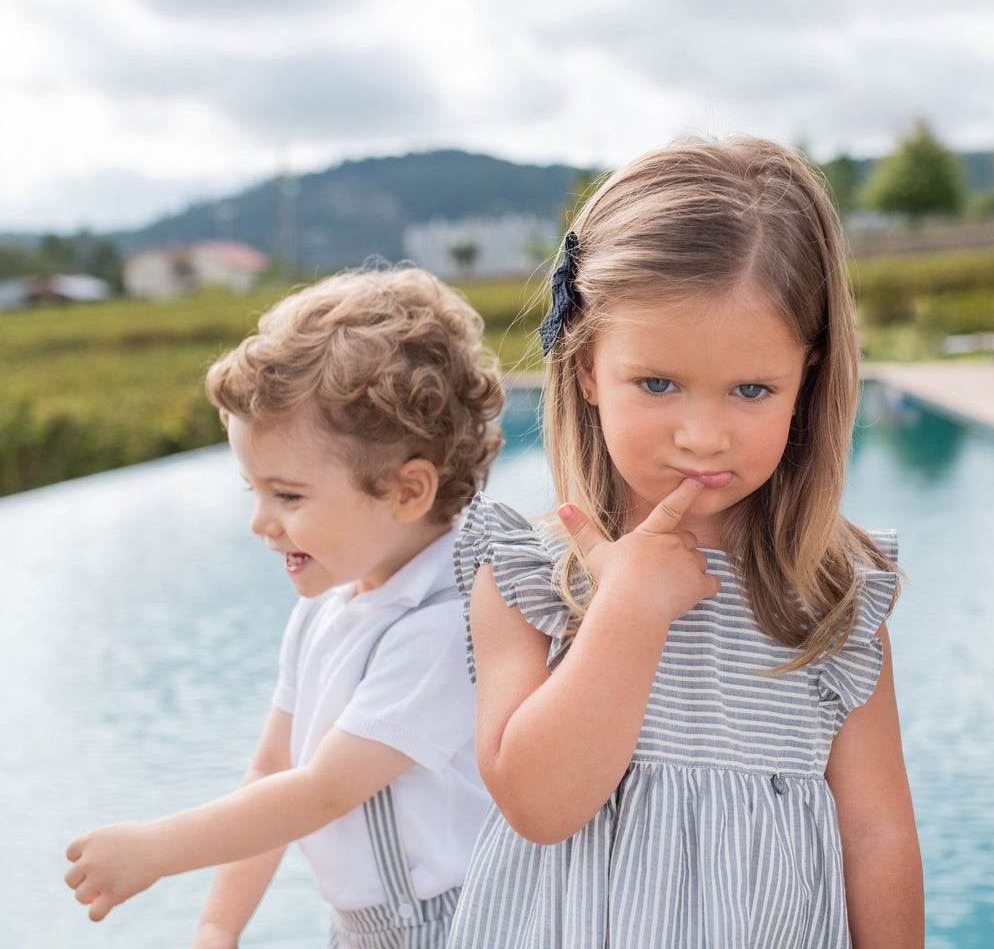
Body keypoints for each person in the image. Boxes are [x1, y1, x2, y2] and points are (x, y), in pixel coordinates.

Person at [448, 138, 923, 948]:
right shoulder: (532, 577)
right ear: (588, 365)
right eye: (658, 383)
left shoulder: (830, 598)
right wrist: (628, 608)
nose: (703, 437)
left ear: (805, 380)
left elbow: (877, 838)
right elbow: (538, 805)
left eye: (751, 390)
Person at [64, 268, 504, 949]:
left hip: (457, 924)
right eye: (253, 490)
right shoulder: (327, 609)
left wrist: (157, 849)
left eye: (288, 496)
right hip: (361, 929)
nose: (260, 522)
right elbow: (271, 774)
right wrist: (219, 926)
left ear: (407, 490)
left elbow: (323, 791)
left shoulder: (445, 629)